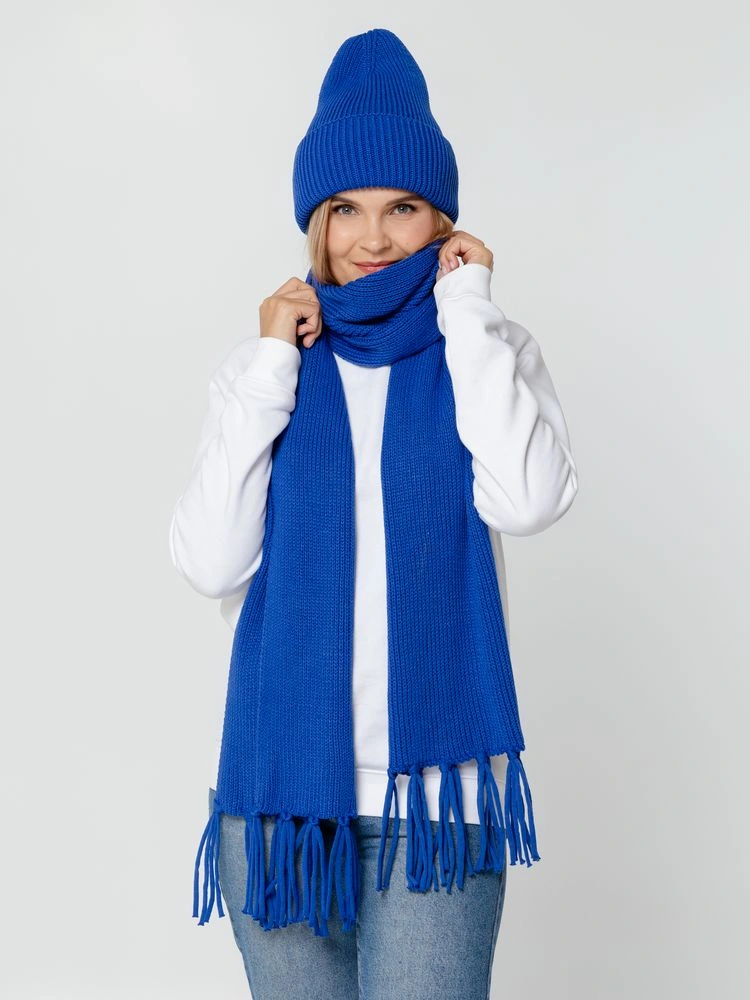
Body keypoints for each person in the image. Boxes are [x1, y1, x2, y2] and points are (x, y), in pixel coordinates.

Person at [169, 27, 579, 1000]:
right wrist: (273, 362)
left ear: (441, 218)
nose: (373, 238)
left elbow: (529, 500)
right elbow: (211, 561)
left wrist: (467, 309)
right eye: (345, 209)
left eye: (402, 207)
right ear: (315, 220)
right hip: (279, 800)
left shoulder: (487, 348)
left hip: (435, 804)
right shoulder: (265, 369)